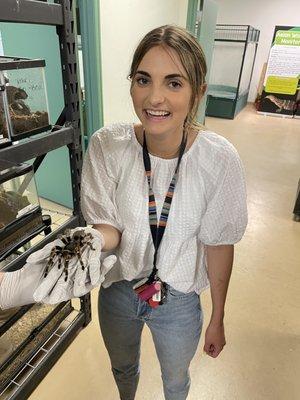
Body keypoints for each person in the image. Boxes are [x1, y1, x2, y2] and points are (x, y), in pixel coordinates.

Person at [0, 25, 247, 400]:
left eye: (174, 83)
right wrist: (91, 241)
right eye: (143, 79)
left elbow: (218, 244)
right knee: (122, 366)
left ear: (198, 92)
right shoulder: (108, 144)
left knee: (176, 380)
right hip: (119, 289)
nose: (155, 97)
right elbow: (109, 228)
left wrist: (217, 317)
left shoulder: (218, 160)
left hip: (178, 300)